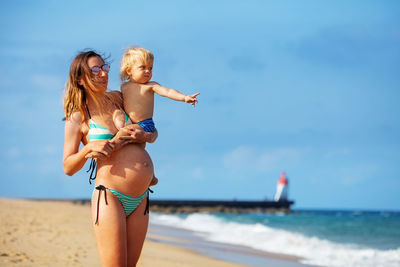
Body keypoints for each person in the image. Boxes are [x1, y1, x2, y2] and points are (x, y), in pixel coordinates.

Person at [62, 50, 158, 266]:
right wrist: (88, 150)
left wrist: (147, 135)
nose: (103, 74)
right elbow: (68, 166)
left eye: (104, 68)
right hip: (110, 197)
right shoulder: (78, 116)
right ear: (80, 78)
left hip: (141, 197)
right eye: (96, 70)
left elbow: (150, 126)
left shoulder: (119, 98)